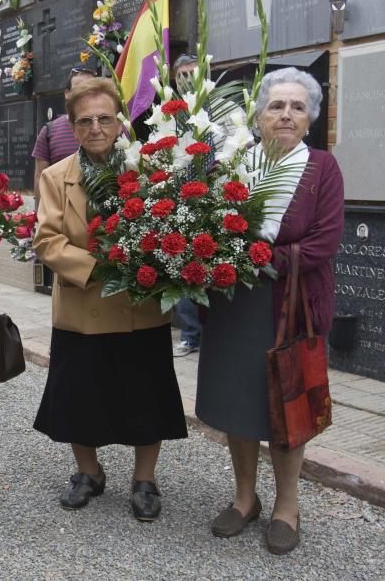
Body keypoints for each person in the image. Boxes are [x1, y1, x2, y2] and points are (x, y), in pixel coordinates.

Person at [196, 67, 344, 554]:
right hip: (234, 305)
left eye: (297, 107)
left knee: (288, 404)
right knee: (239, 404)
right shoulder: (236, 162)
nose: (286, 115)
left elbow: (322, 243)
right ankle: (244, 499)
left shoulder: (322, 169)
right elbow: (210, 223)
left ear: (310, 120)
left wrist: (256, 258)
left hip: (291, 304)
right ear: (259, 115)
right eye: (276, 106)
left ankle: (287, 505)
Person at [31, 77, 187, 522]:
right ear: (73, 127)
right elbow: (47, 240)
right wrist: (104, 269)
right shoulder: (55, 177)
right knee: (79, 396)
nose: (95, 127)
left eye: (104, 118)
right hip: (84, 306)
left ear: (120, 122)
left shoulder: (146, 171)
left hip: (139, 306)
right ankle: (88, 472)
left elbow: (168, 226)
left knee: (146, 396)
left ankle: (144, 480)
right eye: (85, 120)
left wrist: (147, 263)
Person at [170, 54, 203, 358]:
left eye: (192, 73)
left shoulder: (215, 108)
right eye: (181, 75)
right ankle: (190, 334)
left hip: (209, 199)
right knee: (182, 271)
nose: (187, 79)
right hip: (180, 202)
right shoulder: (172, 115)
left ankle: (210, 334)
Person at [31, 67, 97, 206]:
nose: (84, 94)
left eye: (90, 89)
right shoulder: (49, 131)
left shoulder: (104, 129)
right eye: (79, 89)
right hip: (61, 212)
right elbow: (40, 177)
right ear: (67, 93)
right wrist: (40, 216)